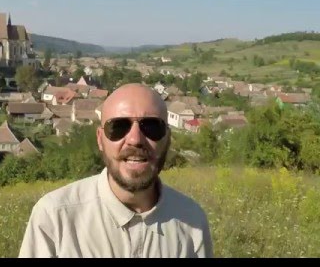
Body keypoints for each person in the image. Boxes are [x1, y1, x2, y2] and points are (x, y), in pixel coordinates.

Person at [19, 83, 213, 258]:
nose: (135, 139)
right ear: (100, 139)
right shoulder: (54, 218)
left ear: (168, 139)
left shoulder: (192, 221)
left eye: (152, 127)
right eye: (119, 127)